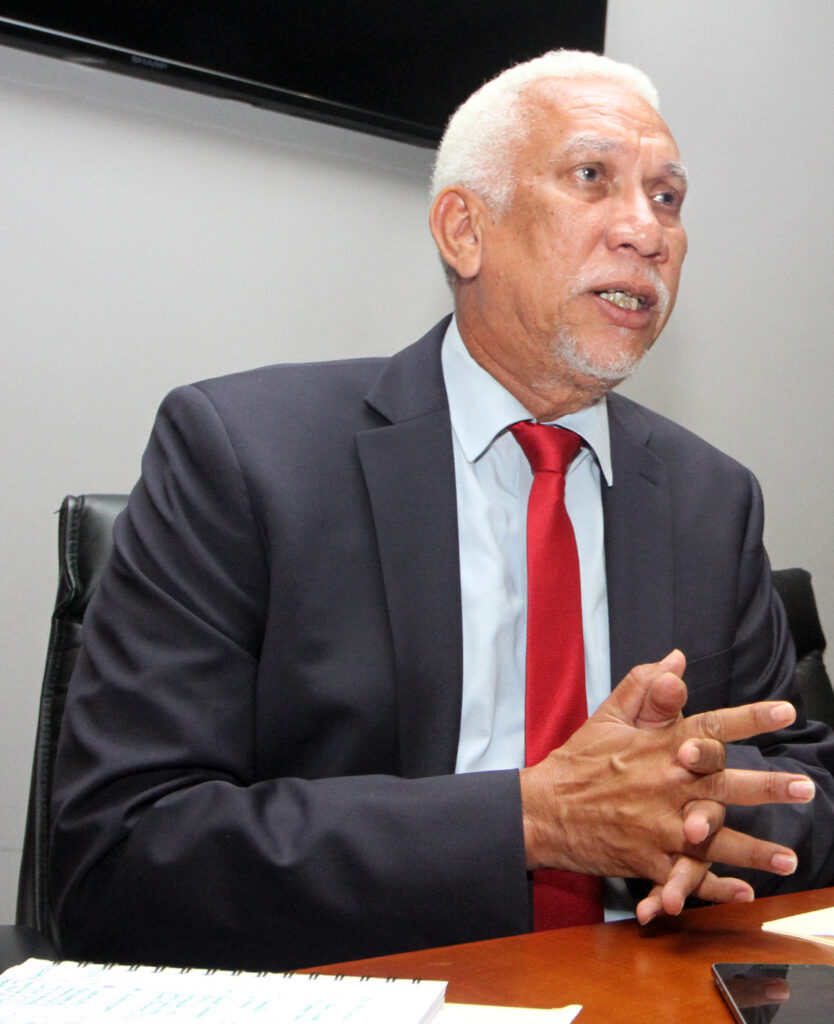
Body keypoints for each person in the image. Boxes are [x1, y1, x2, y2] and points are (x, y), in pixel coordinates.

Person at [50, 50, 834, 972]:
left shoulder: (712, 498)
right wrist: (534, 820)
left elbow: (806, 794)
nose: (645, 231)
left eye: (668, 199)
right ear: (464, 230)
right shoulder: (241, 453)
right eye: (593, 178)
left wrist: (687, 807)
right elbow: (123, 859)